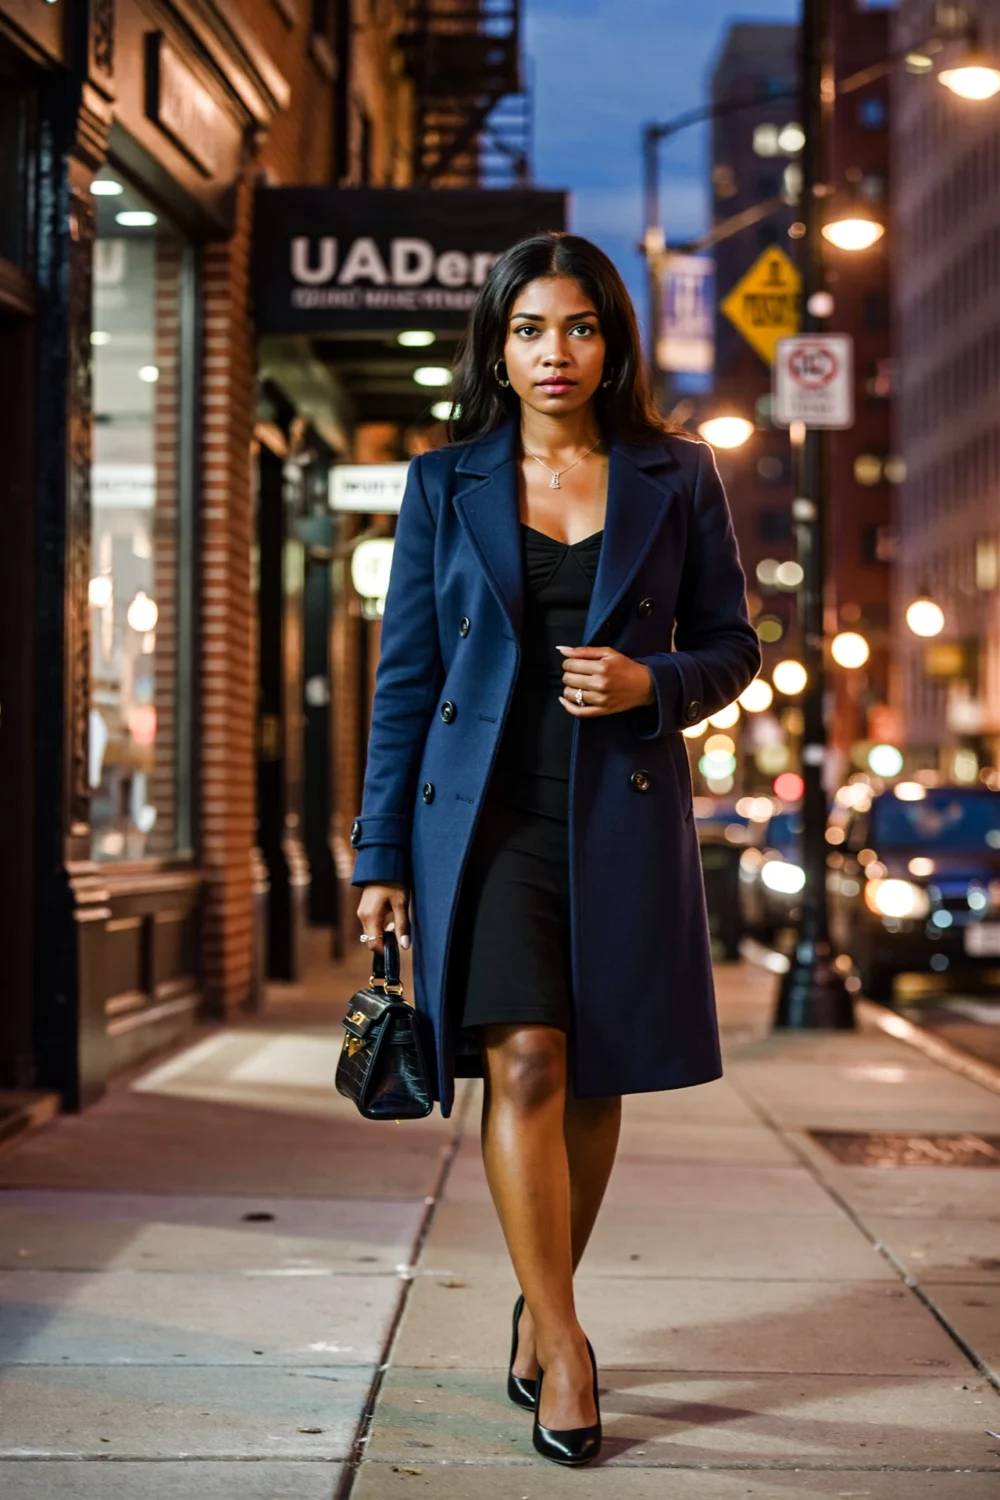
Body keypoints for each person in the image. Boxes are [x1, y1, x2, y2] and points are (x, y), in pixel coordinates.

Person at [352, 231, 760, 1465]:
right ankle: (570, 1343)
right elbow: (405, 678)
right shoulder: (445, 483)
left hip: (621, 809)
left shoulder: (676, 476)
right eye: (529, 330)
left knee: (595, 1076)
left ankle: (539, 1305)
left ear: (611, 342)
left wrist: (651, 679)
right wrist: (376, 853)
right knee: (523, 1057)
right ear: (499, 344)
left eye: (577, 328)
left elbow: (735, 646)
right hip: (482, 818)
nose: (553, 352)